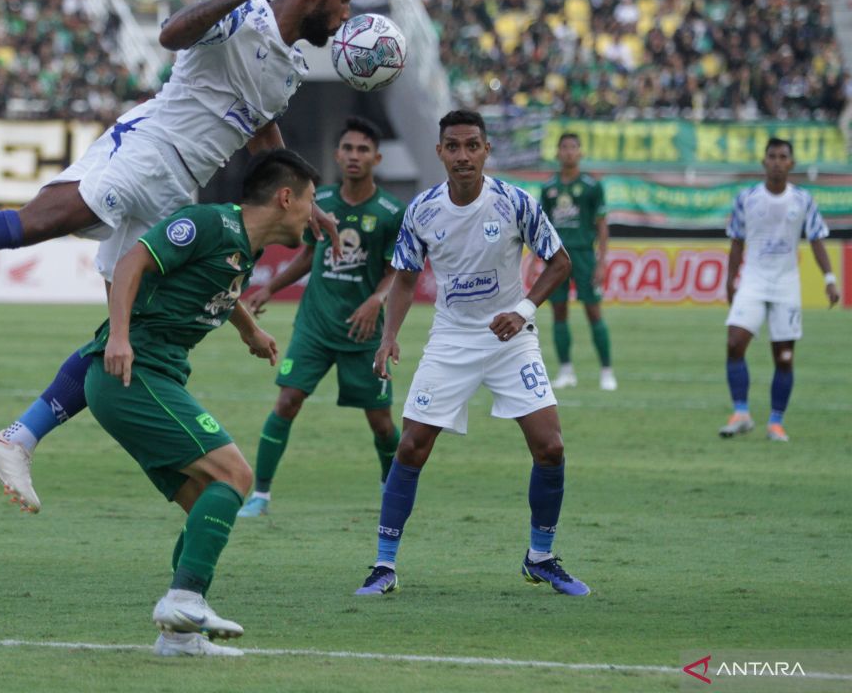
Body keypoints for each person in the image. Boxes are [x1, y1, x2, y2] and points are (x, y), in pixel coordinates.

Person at [0, 0, 353, 512]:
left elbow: (262, 134)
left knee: (130, 330)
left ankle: (16, 439)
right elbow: (170, 35)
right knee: (42, 221)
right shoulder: (246, 17)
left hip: (174, 182)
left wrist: (303, 198)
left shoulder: (287, 69)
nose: (345, 12)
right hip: (150, 148)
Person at [80, 149, 319, 656]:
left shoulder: (241, 248)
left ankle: (179, 638)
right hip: (132, 371)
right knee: (235, 476)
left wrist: (250, 331)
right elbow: (131, 262)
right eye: (310, 200)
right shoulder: (207, 223)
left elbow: (220, 291)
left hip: (152, 376)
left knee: (206, 505)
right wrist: (119, 337)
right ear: (285, 197)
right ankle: (183, 599)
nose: (312, 213)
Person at [354, 110, 590, 598]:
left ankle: (540, 558)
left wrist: (523, 309)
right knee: (411, 447)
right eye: (453, 146)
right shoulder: (421, 210)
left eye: (472, 146)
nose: (463, 155)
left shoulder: (515, 202)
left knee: (551, 447)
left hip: (512, 338)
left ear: (486, 151)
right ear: (440, 152)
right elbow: (403, 276)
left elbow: (559, 262)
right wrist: (389, 335)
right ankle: (383, 566)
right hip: (451, 339)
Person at [237, 117, 405, 517]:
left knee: (381, 423)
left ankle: (392, 488)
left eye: (363, 150)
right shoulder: (319, 202)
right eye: (347, 148)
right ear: (336, 155)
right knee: (287, 401)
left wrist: (376, 300)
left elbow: (397, 270)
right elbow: (310, 256)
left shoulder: (391, 212)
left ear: (376, 158)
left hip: (362, 331)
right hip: (315, 325)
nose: (354, 156)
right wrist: (270, 288)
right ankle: (260, 495)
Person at [719, 138, 839, 442]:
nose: (776, 161)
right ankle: (741, 413)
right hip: (753, 280)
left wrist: (829, 279)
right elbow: (736, 242)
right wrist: (730, 279)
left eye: (782, 156)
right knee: (735, 343)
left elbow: (816, 240)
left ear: (791, 164)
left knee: (784, 357)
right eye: (771, 156)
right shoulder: (746, 198)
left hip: (786, 284)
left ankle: (776, 422)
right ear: (763, 162)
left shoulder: (803, 200)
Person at [539, 133, 616, 391]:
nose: (569, 152)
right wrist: (536, 259)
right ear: (558, 153)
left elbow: (602, 226)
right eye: (564, 147)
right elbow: (543, 227)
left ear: (580, 153)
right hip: (556, 259)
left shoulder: (592, 187)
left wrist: (602, 262)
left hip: (583, 255)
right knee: (559, 312)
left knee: (593, 311)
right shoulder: (549, 188)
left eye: (573, 147)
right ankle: (566, 371)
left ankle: (606, 371)